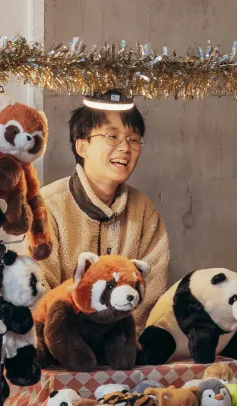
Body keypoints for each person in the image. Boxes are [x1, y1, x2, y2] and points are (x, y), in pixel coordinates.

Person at [38, 103, 170, 335]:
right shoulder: (47, 206)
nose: (125, 148)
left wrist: (119, 340)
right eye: (112, 136)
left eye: (133, 139)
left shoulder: (144, 211)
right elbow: (38, 292)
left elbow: (151, 291)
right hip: (59, 345)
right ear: (82, 146)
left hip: (125, 347)